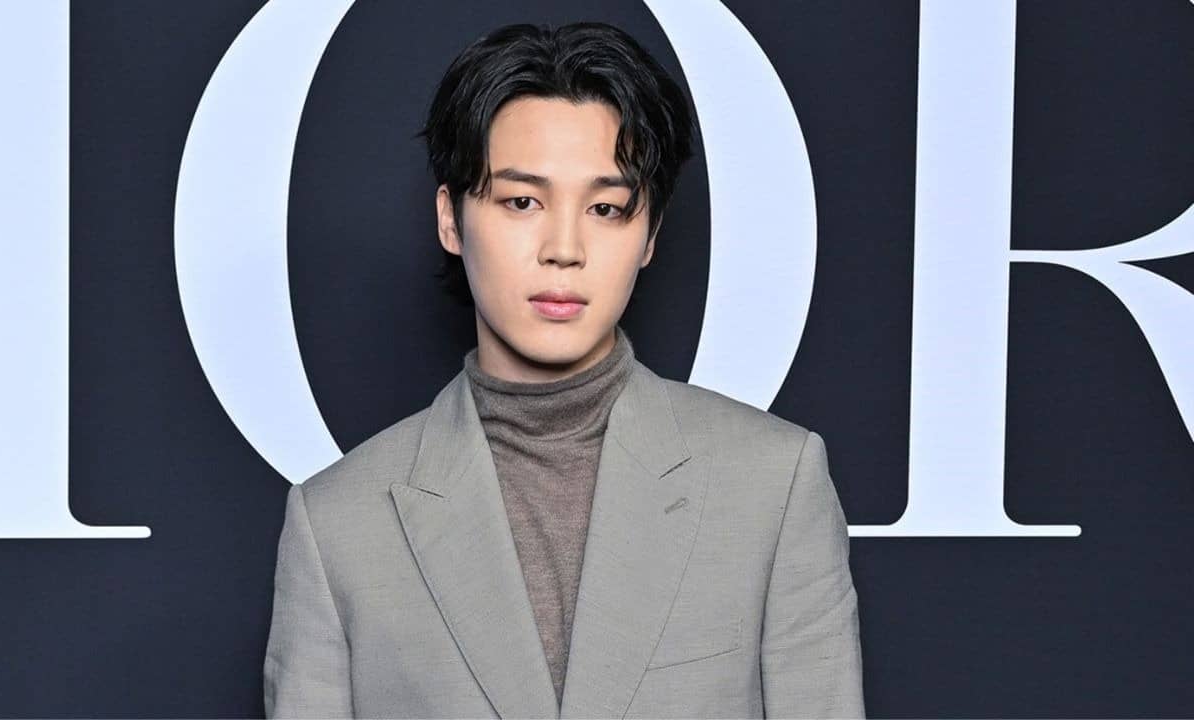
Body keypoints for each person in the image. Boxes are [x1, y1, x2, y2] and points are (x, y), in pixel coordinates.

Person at [264, 20, 864, 719]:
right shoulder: (337, 524)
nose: (565, 247)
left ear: (649, 234)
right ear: (451, 219)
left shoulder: (773, 485)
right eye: (522, 201)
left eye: (606, 208)